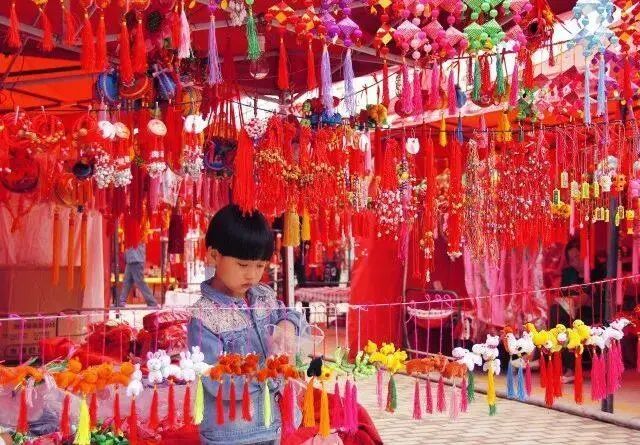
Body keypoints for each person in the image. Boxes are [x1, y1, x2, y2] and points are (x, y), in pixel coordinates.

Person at [187, 204, 307, 445]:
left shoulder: (264, 296)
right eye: (243, 265)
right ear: (213, 256)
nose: (252, 275)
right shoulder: (203, 316)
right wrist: (267, 374)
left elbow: (292, 317)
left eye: (260, 265)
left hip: (275, 425)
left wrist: (287, 324)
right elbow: (215, 381)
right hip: (233, 435)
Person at [117, 242, 158, 308]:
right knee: (127, 281)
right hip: (131, 259)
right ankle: (121, 301)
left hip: (136, 259)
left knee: (140, 282)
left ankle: (152, 302)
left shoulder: (138, 236)